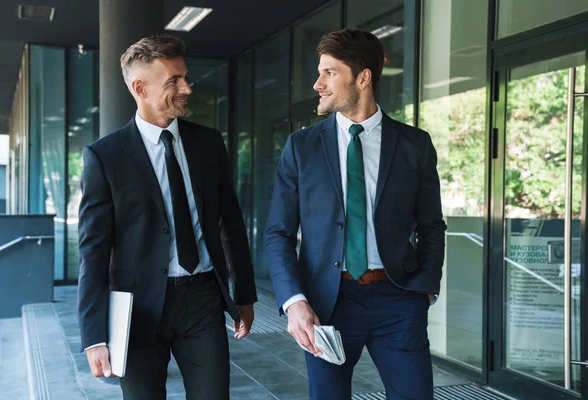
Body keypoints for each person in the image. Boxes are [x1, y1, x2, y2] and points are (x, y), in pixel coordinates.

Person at [264, 28, 446, 400]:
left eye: (329, 72)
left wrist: (424, 289)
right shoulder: (302, 147)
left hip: (398, 300)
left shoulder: (414, 144)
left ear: (362, 77)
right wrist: (294, 301)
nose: (318, 83)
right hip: (328, 304)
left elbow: (431, 225)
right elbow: (278, 233)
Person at [77, 34, 257, 400]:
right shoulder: (105, 156)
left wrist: (244, 295)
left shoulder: (208, 143)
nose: (186, 87)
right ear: (140, 88)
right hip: (138, 310)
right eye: (173, 81)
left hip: (203, 298)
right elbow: (93, 250)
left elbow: (231, 224)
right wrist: (94, 335)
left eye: (184, 76)